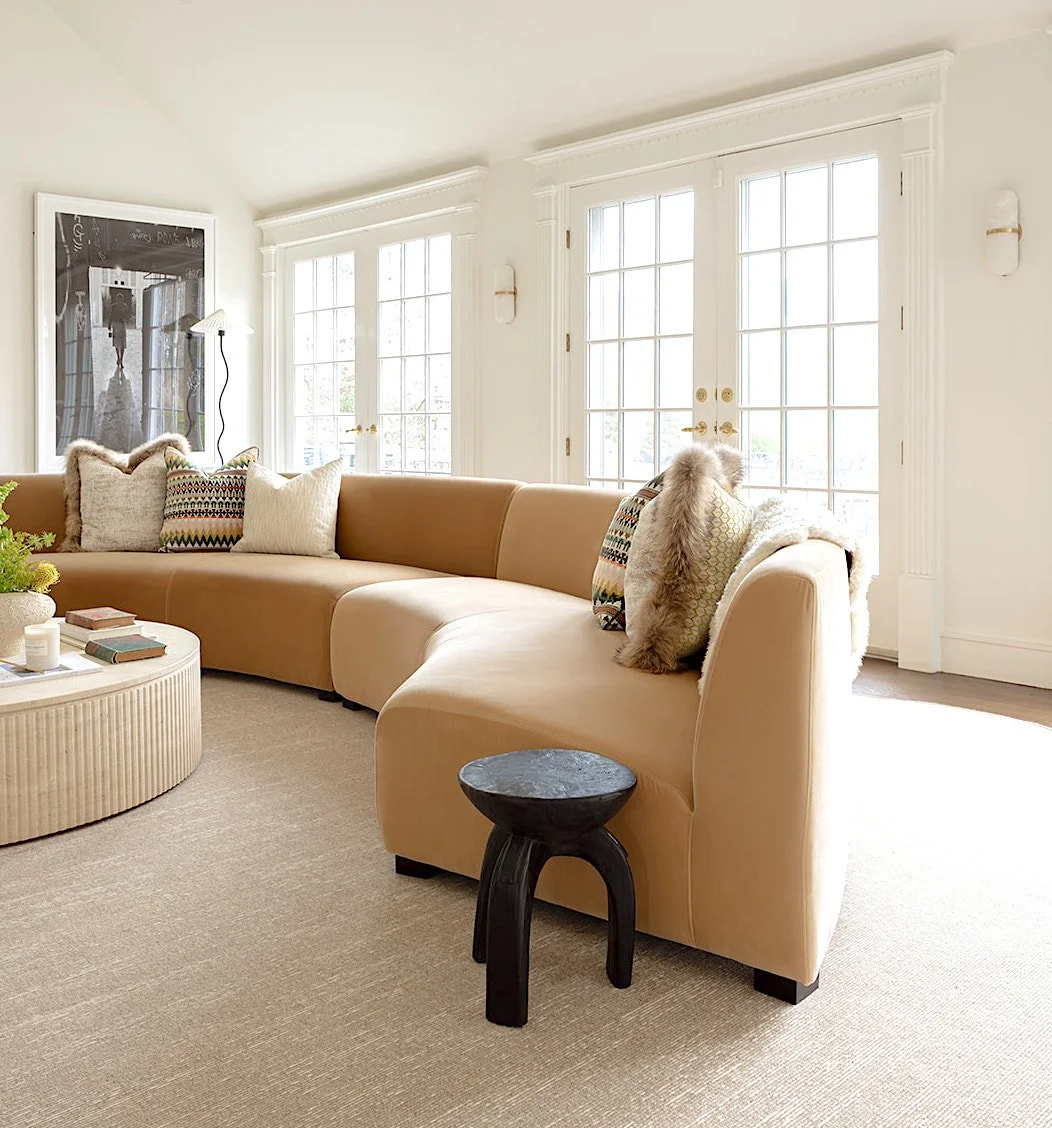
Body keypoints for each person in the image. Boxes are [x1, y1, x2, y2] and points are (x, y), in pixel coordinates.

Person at [108, 290, 129, 370]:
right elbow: (111, 316)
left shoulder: (125, 306)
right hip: (116, 325)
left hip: (122, 324)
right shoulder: (113, 306)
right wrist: (109, 325)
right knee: (117, 343)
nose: (119, 301)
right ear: (116, 300)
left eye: (120, 299)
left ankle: (121, 360)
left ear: (122, 300)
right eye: (118, 299)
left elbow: (127, 316)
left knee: (123, 343)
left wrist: (124, 315)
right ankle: (118, 357)